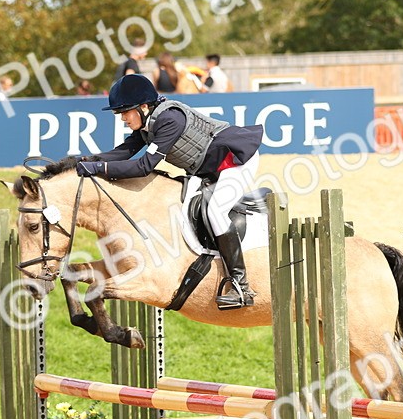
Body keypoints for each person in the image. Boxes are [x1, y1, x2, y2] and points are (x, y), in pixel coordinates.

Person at [76, 74, 263, 310]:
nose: (122, 118)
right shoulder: (148, 124)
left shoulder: (169, 120)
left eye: (125, 112)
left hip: (235, 161)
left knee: (216, 211)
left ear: (143, 107)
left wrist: (98, 168)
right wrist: (86, 161)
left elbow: (143, 166)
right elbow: (123, 152)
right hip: (207, 168)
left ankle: (240, 285)